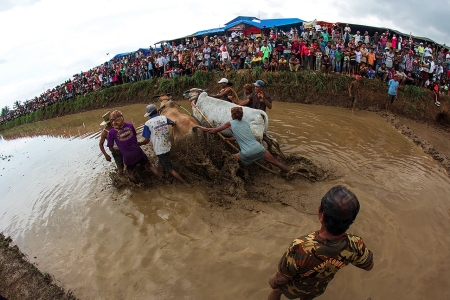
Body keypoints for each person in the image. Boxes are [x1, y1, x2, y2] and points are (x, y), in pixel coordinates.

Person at [267, 185, 373, 300]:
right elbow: (369, 266)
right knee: (308, 297)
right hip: (318, 287)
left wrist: (273, 281)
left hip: (297, 287)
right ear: (351, 221)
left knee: (276, 291)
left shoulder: (301, 246)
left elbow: (284, 276)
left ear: (321, 215)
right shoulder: (355, 244)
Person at [201, 107, 288, 172]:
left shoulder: (229, 123)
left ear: (232, 115)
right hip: (259, 148)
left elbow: (214, 130)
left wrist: (205, 129)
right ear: (242, 116)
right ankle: (289, 173)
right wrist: (229, 139)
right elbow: (243, 137)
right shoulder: (246, 124)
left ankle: (224, 174)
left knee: (229, 158)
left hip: (247, 153)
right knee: (276, 162)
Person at [140, 104, 188, 184]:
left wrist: (139, 143)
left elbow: (146, 141)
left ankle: (185, 183)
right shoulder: (163, 118)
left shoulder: (147, 124)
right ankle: (164, 173)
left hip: (160, 150)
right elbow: (172, 123)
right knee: (161, 162)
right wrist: (175, 122)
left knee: (170, 168)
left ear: (148, 114)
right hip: (168, 146)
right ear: (156, 111)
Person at [107, 110, 159, 182]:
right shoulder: (130, 125)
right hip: (138, 152)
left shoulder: (111, 132)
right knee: (150, 167)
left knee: (130, 174)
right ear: (121, 118)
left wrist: (117, 151)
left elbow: (111, 148)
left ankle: (139, 187)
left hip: (127, 157)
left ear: (112, 121)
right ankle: (162, 179)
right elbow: (134, 138)